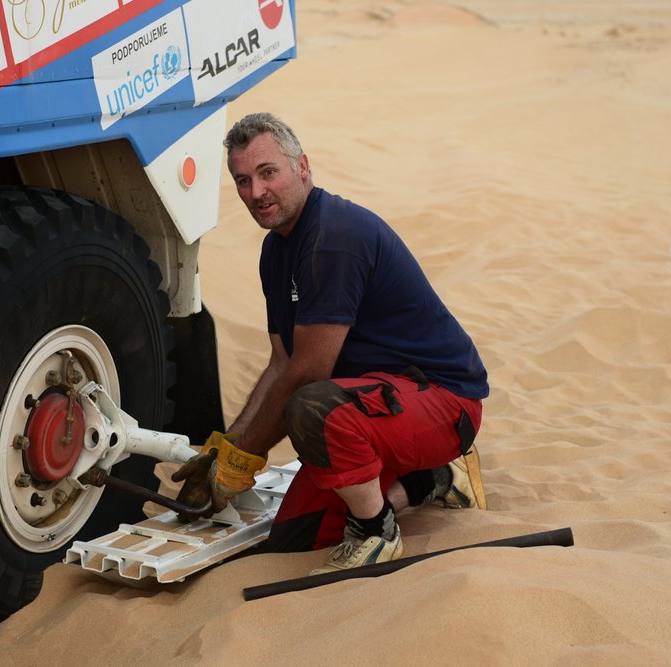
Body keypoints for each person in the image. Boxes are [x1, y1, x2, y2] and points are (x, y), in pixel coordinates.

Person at [173, 112, 489, 574]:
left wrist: (242, 466)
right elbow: (281, 362)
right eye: (242, 180)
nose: (255, 193)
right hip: (373, 404)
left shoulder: (332, 238)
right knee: (295, 541)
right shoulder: (277, 249)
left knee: (311, 406)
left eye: (267, 173)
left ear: (302, 167)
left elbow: (309, 373)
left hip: (442, 402)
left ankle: (378, 530)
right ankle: (435, 478)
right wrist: (228, 447)